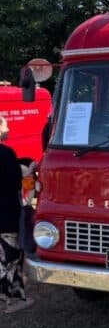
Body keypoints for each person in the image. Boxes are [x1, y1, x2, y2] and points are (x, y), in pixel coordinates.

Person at [0, 116, 33, 312]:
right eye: (5, 125)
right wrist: (30, 170)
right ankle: (12, 300)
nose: (8, 128)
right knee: (10, 259)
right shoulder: (6, 153)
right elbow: (16, 183)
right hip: (6, 215)